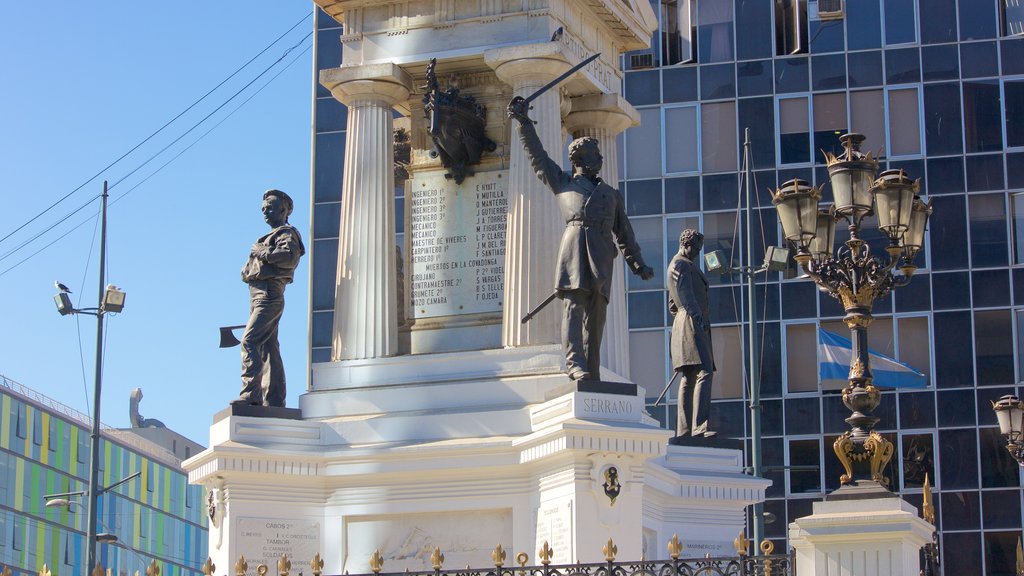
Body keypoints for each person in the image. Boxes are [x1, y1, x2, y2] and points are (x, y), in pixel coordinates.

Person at [508, 97, 653, 381]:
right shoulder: (563, 182)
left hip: (601, 254)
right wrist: (524, 122)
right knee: (574, 308)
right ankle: (575, 364)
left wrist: (638, 264)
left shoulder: (611, 194)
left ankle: (593, 369)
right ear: (580, 158)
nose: (600, 159)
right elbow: (537, 157)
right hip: (574, 249)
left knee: (597, 316)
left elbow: (625, 233)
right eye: (595, 154)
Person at [233, 189, 305, 407]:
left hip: (269, 294)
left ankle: (251, 394)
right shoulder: (269, 236)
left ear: (284, 210)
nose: (266, 210)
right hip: (257, 294)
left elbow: (289, 258)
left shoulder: (286, 233)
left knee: (250, 341)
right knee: (268, 347)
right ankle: (274, 399)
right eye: (263, 208)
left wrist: (262, 252)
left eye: (271, 207)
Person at [667, 229, 715, 438]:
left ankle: (686, 430)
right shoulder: (680, 264)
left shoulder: (682, 265)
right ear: (686, 243)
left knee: (690, 376)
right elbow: (685, 297)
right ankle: (699, 426)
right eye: (695, 248)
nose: (696, 252)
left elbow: (671, 305)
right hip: (692, 323)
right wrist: (698, 319)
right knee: (705, 372)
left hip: (685, 322)